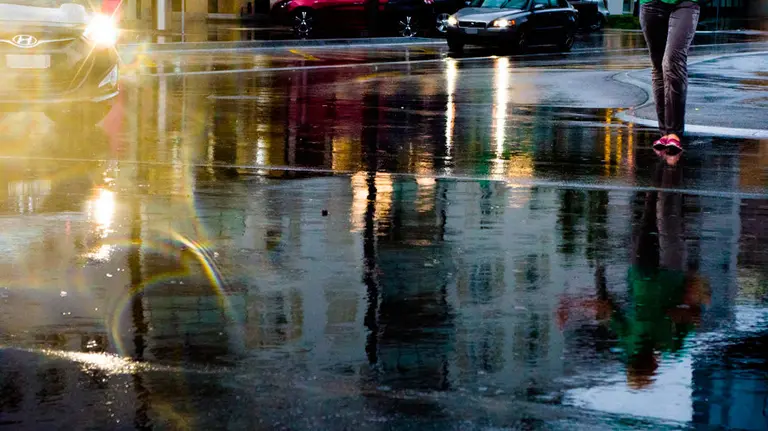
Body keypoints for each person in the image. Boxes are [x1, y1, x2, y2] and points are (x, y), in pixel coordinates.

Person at [640, 0, 701, 153]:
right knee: (658, 65)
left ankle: (674, 132)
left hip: (686, 3)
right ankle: (665, 134)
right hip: (650, 4)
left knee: (673, 60)